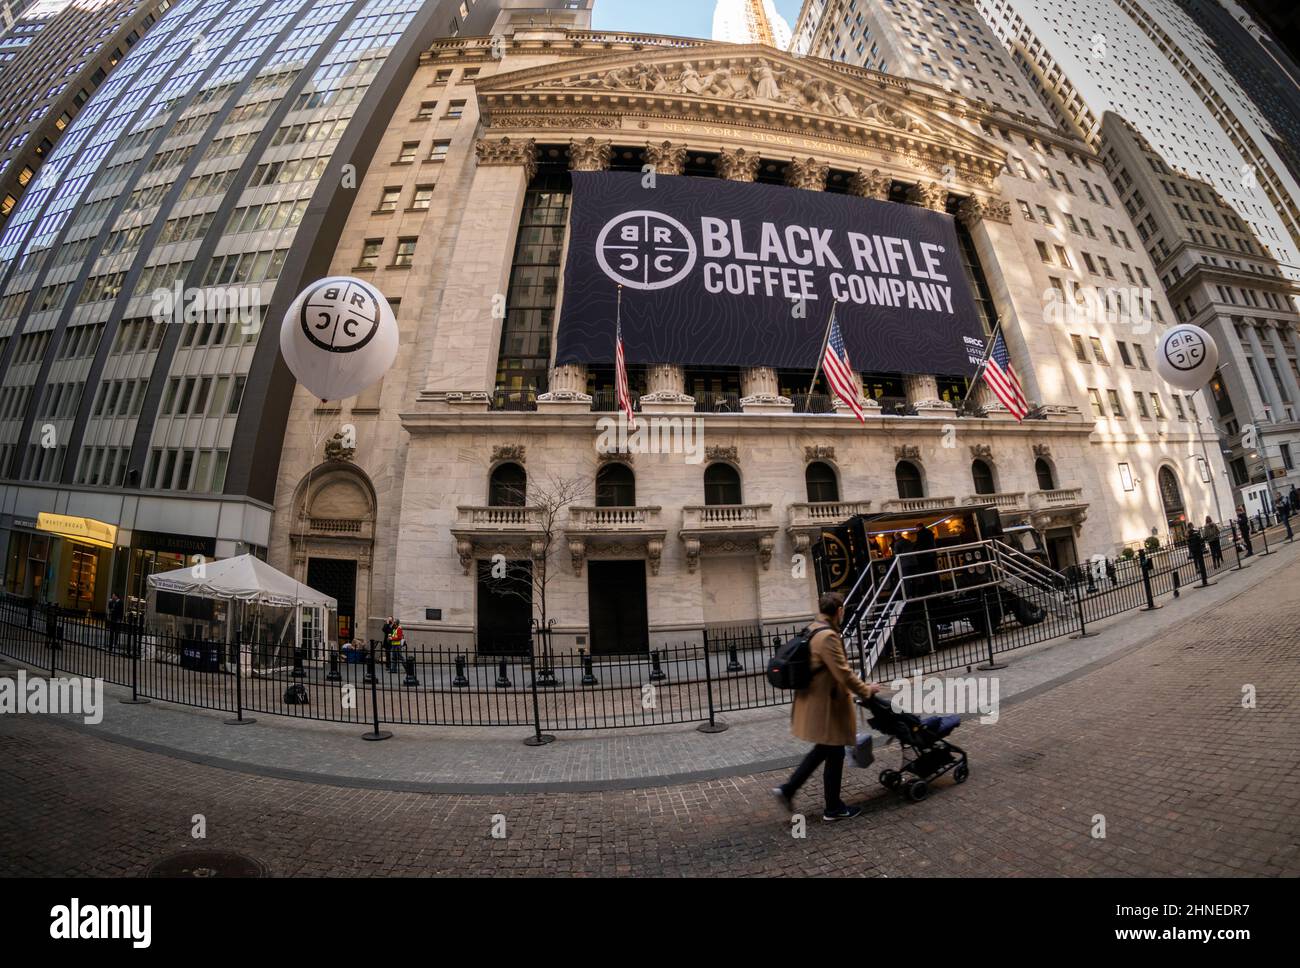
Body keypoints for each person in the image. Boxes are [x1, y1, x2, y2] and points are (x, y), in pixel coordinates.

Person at [773, 592, 884, 822]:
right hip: (827, 706)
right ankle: (832, 808)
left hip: (817, 702)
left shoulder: (813, 628)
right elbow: (843, 673)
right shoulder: (827, 637)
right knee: (832, 752)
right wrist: (866, 689)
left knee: (825, 751)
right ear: (840, 610)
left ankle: (789, 789)